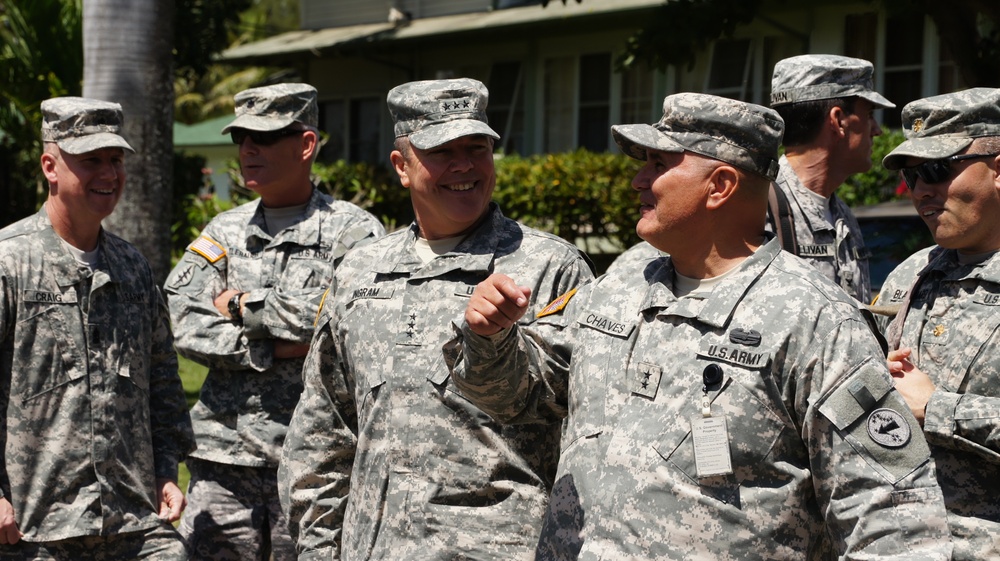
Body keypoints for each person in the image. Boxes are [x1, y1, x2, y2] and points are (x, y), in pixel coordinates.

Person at [450, 92, 952, 559]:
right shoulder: (624, 279)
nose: (638, 181)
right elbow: (516, 399)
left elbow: (893, 511)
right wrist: (493, 338)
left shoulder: (814, 318)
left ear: (720, 186)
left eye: (659, 165)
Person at [278, 77, 595, 560]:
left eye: (478, 148)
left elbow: (572, 415)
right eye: (443, 150)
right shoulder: (362, 268)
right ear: (402, 166)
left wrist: (498, 341)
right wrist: (318, 548)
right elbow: (325, 429)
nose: (464, 165)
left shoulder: (550, 267)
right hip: (373, 548)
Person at [164, 83, 385, 561]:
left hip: (314, 465)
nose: (246, 150)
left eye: (261, 138)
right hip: (223, 461)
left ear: (306, 145)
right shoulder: (224, 230)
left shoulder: (354, 231)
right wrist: (269, 347)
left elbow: (350, 315)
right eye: (241, 139)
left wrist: (242, 304)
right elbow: (179, 314)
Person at [0, 97, 194, 559]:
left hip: (131, 520)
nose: (109, 174)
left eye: (115, 160)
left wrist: (166, 470)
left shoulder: (133, 269)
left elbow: (163, 380)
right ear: (51, 166)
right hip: (34, 529)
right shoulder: (9, 262)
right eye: (91, 161)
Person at [873, 87, 1000, 561]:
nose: (921, 190)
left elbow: (927, 407)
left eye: (936, 170)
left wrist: (938, 408)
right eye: (912, 176)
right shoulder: (911, 273)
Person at [767, 54, 895, 303]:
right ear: (838, 121)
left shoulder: (842, 215)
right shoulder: (757, 208)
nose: (877, 130)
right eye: (868, 114)